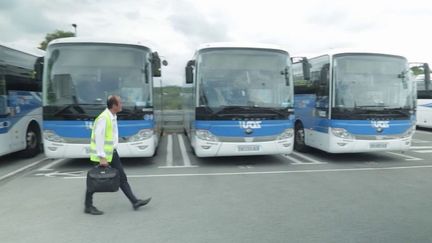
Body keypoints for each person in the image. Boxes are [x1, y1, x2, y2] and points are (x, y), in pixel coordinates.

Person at [84, 95, 151, 215]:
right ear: (114, 106)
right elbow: (99, 138)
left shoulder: (112, 116)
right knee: (94, 181)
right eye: (120, 103)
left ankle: (135, 201)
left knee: (122, 177)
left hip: (111, 153)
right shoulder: (104, 118)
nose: (122, 105)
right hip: (103, 156)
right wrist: (102, 157)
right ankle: (88, 206)